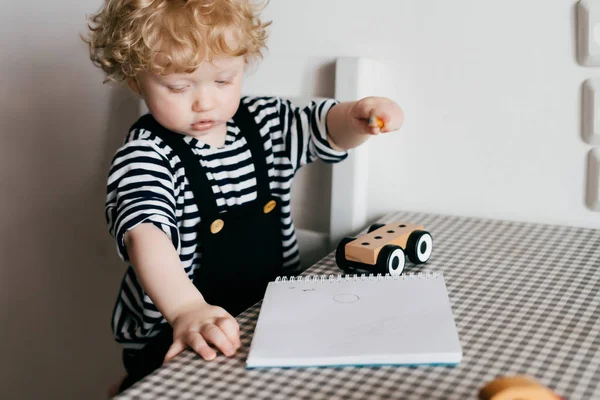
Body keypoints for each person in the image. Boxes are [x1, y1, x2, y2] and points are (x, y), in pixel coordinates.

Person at [83, 0, 404, 394]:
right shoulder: (146, 155)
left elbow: (328, 129)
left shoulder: (266, 123)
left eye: (222, 81)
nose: (204, 102)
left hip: (270, 316)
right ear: (136, 80)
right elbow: (144, 234)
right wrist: (187, 309)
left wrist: (359, 116)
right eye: (179, 86)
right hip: (177, 335)